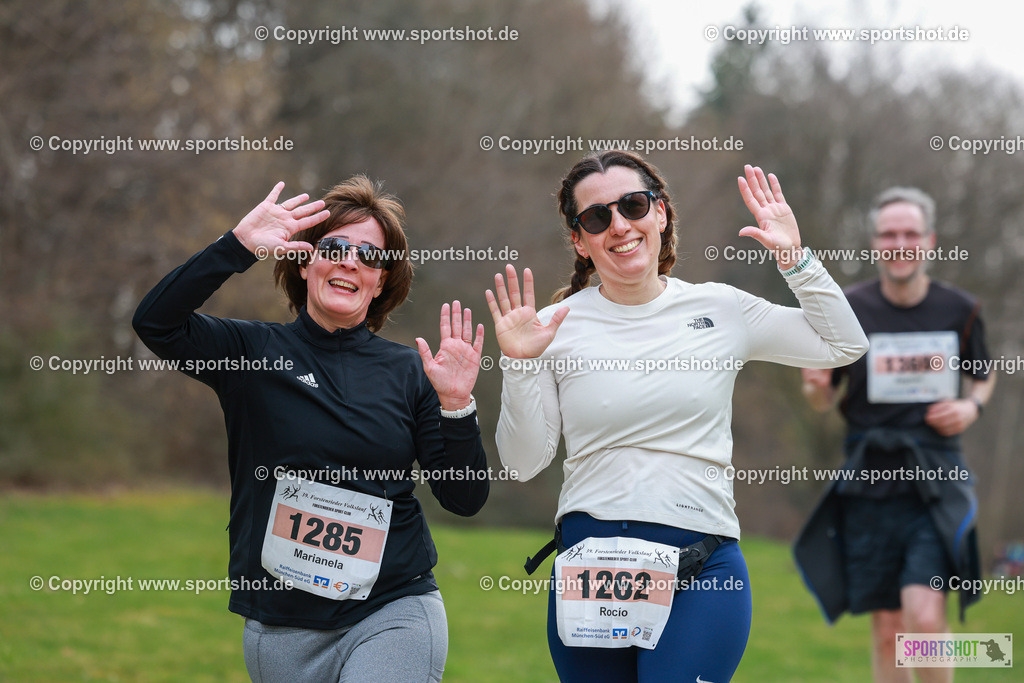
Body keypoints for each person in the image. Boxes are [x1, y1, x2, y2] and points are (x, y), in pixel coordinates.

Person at [486, 150, 869, 682]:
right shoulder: (548, 327)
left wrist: (795, 260)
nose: (620, 225)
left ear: (660, 213)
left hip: (703, 564)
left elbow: (844, 344)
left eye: (633, 205)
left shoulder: (722, 309)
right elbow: (523, 463)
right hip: (592, 567)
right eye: (597, 217)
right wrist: (519, 363)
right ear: (579, 240)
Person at [132, 176, 489, 682]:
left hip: (391, 610)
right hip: (281, 627)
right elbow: (156, 322)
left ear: (381, 281)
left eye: (370, 256)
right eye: (335, 248)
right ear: (304, 263)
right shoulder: (250, 354)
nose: (350, 262)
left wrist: (455, 405)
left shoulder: (413, 373)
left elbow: (464, 499)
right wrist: (237, 245)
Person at [797, 187, 994, 683]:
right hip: (868, 479)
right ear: (875, 242)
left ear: (929, 240)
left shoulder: (961, 309)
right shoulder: (847, 308)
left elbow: (984, 374)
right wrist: (815, 388)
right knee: (888, 629)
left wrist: (971, 406)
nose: (900, 244)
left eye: (910, 234)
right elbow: (823, 397)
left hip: (935, 478)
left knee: (923, 618)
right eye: (889, 234)